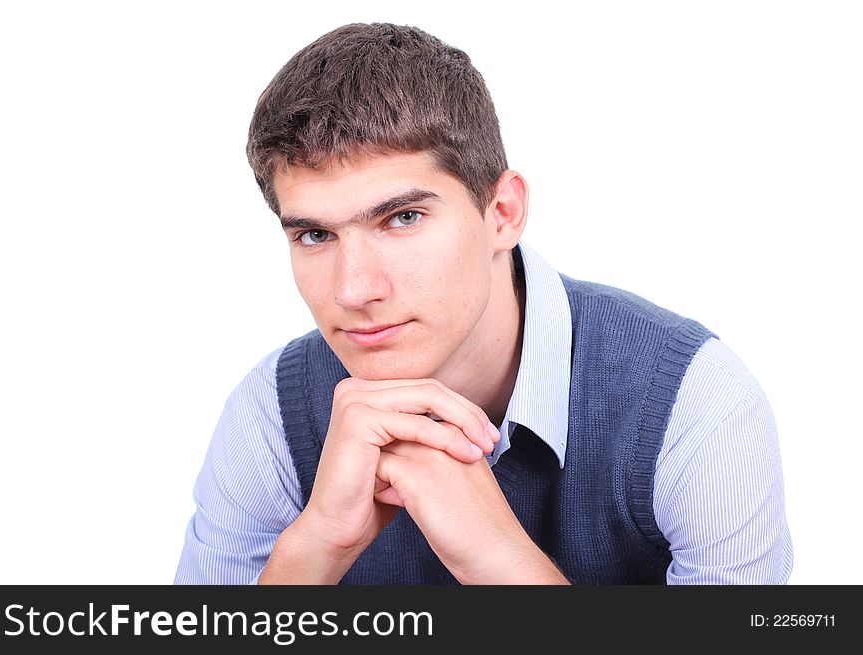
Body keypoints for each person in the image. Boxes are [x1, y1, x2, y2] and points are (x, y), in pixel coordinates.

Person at [175, 22, 793, 585]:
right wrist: (313, 550)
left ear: (503, 214)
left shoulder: (694, 402)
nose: (354, 289)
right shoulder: (271, 414)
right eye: (315, 235)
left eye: (403, 218)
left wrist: (498, 561)